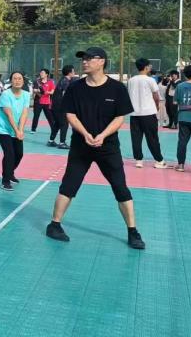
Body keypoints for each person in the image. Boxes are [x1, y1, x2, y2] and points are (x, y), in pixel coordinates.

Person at [46, 47, 145, 250]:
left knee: (120, 187)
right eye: (83, 58)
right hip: (80, 146)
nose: (85, 61)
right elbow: (70, 114)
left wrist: (102, 135)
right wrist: (85, 134)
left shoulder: (117, 88)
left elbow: (119, 118)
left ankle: (133, 232)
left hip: (108, 147)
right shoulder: (75, 87)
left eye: (90, 58)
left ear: (102, 62)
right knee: (69, 185)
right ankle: (54, 225)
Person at [127, 58, 168, 169]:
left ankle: (139, 161)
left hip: (135, 114)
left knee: (136, 138)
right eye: (149, 66)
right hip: (148, 113)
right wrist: (156, 106)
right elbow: (156, 96)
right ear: (146, 67)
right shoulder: (150, 80)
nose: (150, 67)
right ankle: (159, 160)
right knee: (152, 138)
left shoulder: (131, 80)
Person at [0, 71, 29, 190]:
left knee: (19, 154)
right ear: (11, 81)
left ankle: (9, 172)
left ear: (23, 81)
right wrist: (16, 130)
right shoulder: (6, 95)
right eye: (15, 78)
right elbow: (9, 114)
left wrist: (21, 130)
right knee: (9, 154)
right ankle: (5, 180)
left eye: (20, 78)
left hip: (17, 129)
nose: (17, 81)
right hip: (4, 130)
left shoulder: (26, 95)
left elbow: (25, 113)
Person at [47, 65, 76, 149]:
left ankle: (51, 141)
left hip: (56, 106)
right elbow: (65, 95)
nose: (74, 72)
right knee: (64, 124)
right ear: (69, 73)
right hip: (60, 107)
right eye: (73, 71)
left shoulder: (64, 80)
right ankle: (62, 143)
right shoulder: (65, 81)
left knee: (57, 123)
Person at [30, 69, 54, 133]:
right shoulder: (37, 81)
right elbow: (34, 90)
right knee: (36, 116)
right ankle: (33, 129)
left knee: (49, 117)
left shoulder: (50, 82)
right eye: (40, 73)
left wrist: (46, 92)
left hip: (47, 102)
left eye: (42, 73)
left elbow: (52, 91)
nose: (41, 74)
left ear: (46, 74)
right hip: (38, 102)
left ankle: (53, 129)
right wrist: (38, 91)